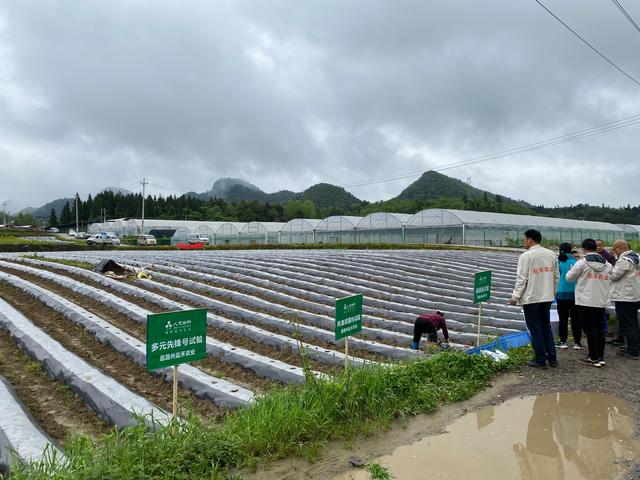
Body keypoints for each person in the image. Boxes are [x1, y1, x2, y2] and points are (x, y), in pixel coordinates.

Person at [509, 229, 559, 368]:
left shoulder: (526, 256)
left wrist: (515, 296)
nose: (524, 242)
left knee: (535, 328)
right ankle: (552, 358)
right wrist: (552, 293)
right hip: (547, 297)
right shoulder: (551, 254)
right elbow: (556, 277)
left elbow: (522, 279)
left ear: (530, 240)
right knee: (546, 327)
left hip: (531, 299)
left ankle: (540, 359)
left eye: (525, 239)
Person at [566, 238, 612, 367]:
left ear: (584, 249)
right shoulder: (608, 264)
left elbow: (569, 278)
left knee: (590, 329)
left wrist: (572, 268)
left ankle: (593, 357)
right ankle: (600, 356)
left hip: (586, 301)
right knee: (599, 329)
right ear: (595, 248)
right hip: (601, 300)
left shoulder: (582, 263)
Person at [609, 240, 640, 359]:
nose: (614, 253)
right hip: (635, 295)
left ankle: (632, 351)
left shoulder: (624, 260)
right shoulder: (637, 257)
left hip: (624, 297)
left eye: (614, 250)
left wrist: (609, 269)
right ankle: (635, 348)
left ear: (619, 248)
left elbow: (614, 276)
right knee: (633, 323)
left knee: (627, 324)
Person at [556, 242, 581, 349]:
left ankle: (563, 342)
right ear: (570, 250)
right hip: (575, 294)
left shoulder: (559, 262)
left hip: (561, 294)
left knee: (563, 319)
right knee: (576, 319)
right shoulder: (576, 262)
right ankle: (577, 343)